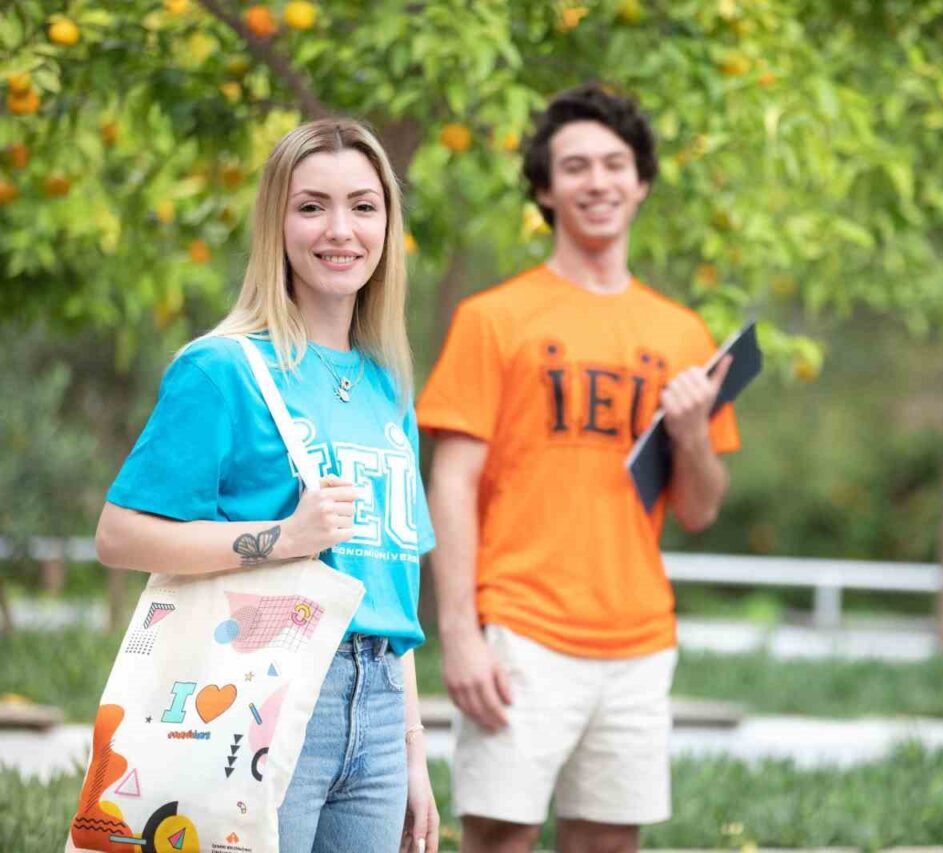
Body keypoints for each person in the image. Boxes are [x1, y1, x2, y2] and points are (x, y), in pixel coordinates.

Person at [94, 118, 439, 853]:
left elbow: (389, 585)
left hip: (376, 709)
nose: (340, 229)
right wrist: (281, 538)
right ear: (276, 223)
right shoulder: (221, 368)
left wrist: (414, 751)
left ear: (387, 223)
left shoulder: (389, 389)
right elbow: (119, 534)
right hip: (261, 694)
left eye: (364, 206)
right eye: (312, 206)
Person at [417, 83, 740, 853]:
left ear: (642, 182)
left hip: (637, 636)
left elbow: (698, 509)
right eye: (575, 166)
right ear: (543, 188)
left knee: (608, 842)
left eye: (614, 164)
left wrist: (692, 435)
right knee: (499, 837)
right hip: (521, 627)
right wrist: (460, 633)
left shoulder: (683, 331)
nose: (597, 181)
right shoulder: (493, 318)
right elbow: (452, 483)